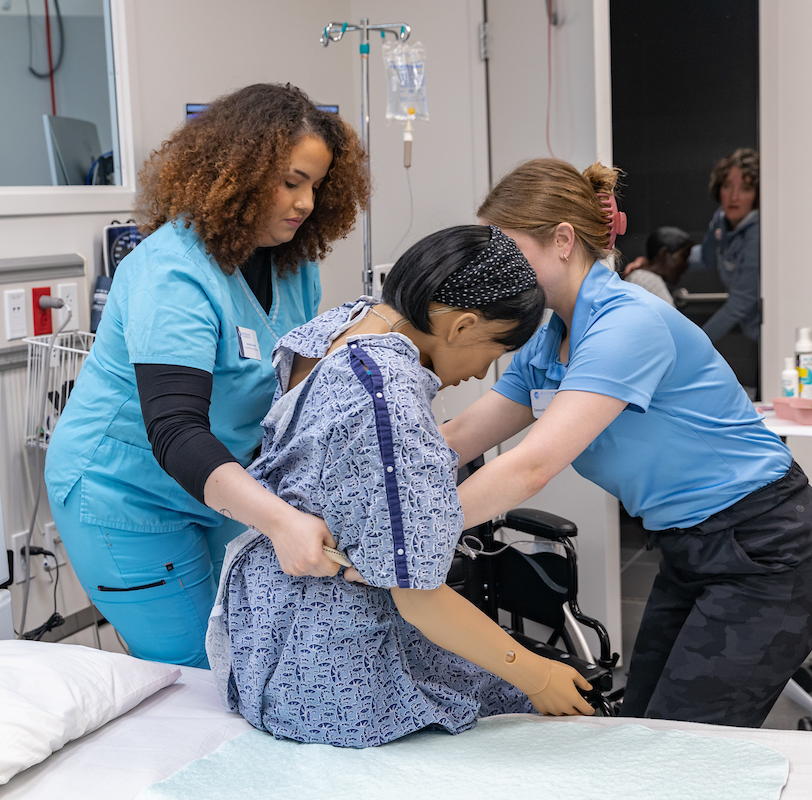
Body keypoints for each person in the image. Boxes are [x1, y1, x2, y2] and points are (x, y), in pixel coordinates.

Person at [440, 158, 812, 728]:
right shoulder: (547, 341)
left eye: (507, 252)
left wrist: (410, 531)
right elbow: (457, 438)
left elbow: (532, 466)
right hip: (690, 549)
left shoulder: (628, 323)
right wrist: (353, 487)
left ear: (562, 240)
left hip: (769, 549)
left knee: (683, 751)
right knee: (641, 731)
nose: (496, 271)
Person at [207, 225, 595, 748]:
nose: (484, 370)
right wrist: (535, 675)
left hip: (269, 633)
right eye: (494, 351)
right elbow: (419, 598)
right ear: (461, 325)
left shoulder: (345, 325)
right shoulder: (387, 396)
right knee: (528, 705)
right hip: (336, 669)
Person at [44, 84, 369, 667]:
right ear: (237, 173)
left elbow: (296, 391)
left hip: (221, 489)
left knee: (266, 652)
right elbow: (175, 430)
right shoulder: (173, 272)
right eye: (291, 182)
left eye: (317, 187)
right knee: (205, 674)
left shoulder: (294, 264)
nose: (305, 204)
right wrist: (282, 521)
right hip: (126, 494)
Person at [691, 148, 761, 348]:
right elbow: (707, 257)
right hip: (753, 331)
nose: (734, 197)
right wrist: (655, 260)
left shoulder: (758, 234)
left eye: (745, 189)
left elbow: (740, 302)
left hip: (771, 330)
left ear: (757, 195)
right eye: (727, 186)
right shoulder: (721, 219)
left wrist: (696, 343)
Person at [621, 226, 694, 306]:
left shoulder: (640, 277)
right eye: (684, 256)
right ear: (664, 253)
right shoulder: (647, 280)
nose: (686, 265)